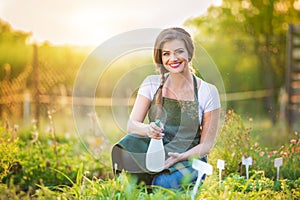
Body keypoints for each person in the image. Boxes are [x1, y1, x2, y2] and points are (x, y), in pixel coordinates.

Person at [112, 27, 220, 189]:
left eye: (179, 52)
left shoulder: (208, 92)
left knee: (162, 183)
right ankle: (138, 186)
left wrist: (180, 157)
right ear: (160, 58)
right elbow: (132, 125)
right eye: (166, 54)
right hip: (155, 151)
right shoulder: (151, 83)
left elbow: (206, 145)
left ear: (189, 53)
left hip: (188, 157)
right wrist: (148, 129)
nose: (173, 58)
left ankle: (151, 184)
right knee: (123, 149)